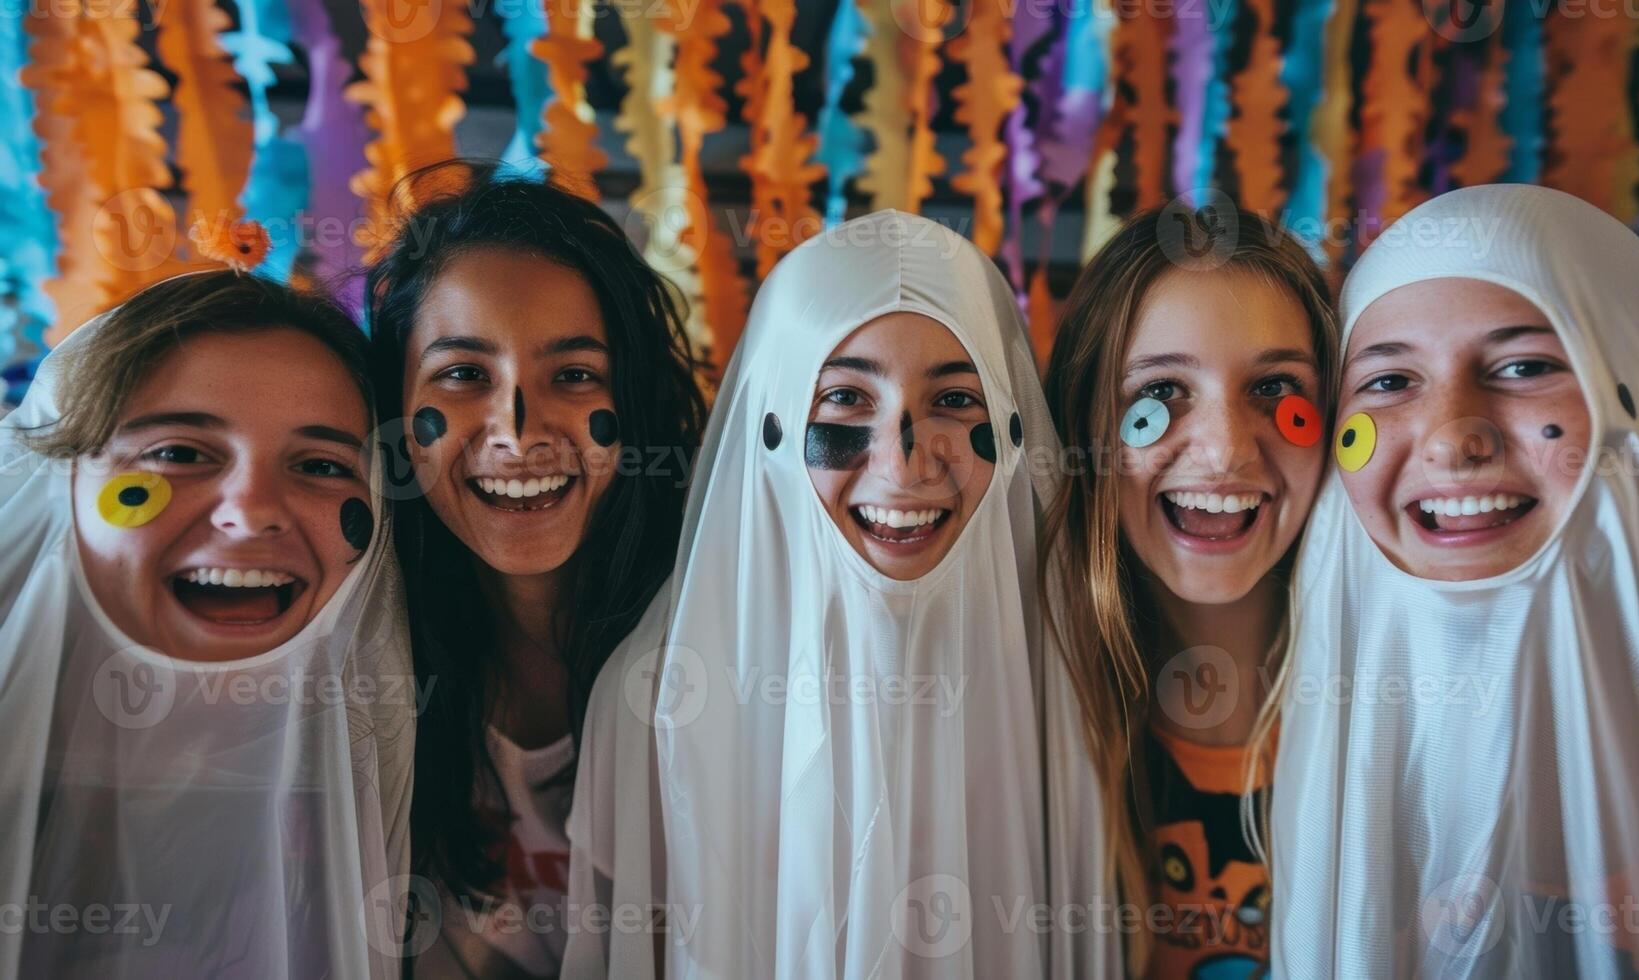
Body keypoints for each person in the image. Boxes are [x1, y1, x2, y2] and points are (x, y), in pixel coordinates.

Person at [574, 209, 1107, 977]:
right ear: (773, 432)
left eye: (956, 400)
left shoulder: (1077, 680)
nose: (902, 462)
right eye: (846, 401)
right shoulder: (658, 699)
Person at [1273, 183, 1639, 977]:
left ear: (1634, 393)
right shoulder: (1291, 728)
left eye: (1523, 365)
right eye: (1388, 381)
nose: (1454, 437)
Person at [0, 271, 414, 978]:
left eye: (320, 464)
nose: (251, 511)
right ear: (65, 484)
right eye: (180, 453)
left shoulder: (393, 772)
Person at [366, 163, 706, 978]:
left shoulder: (724, 654)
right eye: (463, 375)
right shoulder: (360, 653)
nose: (517, 432)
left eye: (575, 374)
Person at [1042, 205, 1337, 977]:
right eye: (1163, 391)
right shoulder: (1032, 709)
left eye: (1274, 386)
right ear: (1086, 429)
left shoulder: (1409, 705)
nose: (1225, 450)